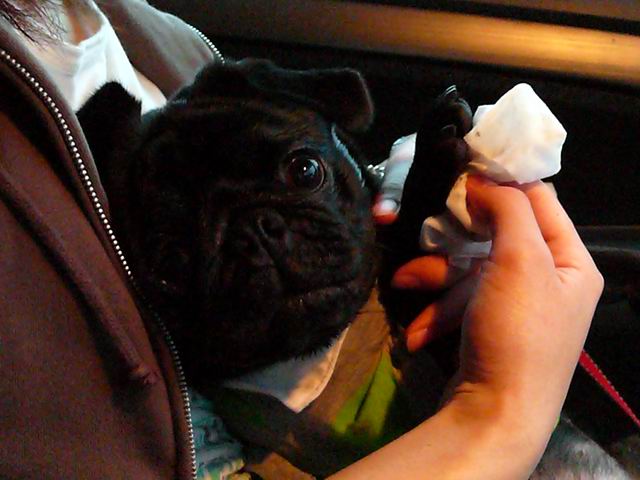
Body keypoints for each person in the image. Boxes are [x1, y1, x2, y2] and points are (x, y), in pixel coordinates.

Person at [0, 1, 603, 479]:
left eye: (302, 173)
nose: (264, 241)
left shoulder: (125, 23)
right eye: (179, 259)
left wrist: (423, 197)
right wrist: (500, 415)